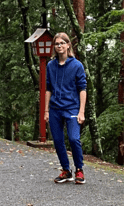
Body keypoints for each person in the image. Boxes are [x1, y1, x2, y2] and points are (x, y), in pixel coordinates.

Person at [44, 32, 87, 184]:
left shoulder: (77, 65)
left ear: (68, 45)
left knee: (74, 139)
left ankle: (79, 170)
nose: (59, 46)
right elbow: (48, 88)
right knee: (57, 140)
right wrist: (46, 110)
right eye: (57, 44)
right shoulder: (51, 66)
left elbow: (83, 89)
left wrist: (81, 111)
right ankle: (66, 170)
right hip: (55, 108)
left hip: (72, 108)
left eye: (62, 43)